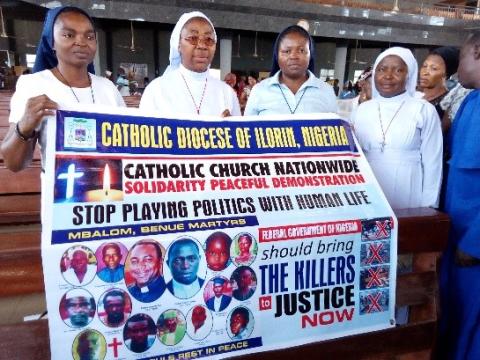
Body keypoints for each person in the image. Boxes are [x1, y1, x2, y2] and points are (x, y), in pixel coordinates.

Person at [1, 6, 125, 173]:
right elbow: (14, 164)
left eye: (89, 36)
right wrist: (24, 126)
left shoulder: (108, 88)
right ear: (51, 41)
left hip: (108, 188)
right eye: (69, 35)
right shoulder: (33, 84)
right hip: (61, 192)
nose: (81, 42)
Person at [351, 47, 443, 209]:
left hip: (408, 188)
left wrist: (428, 205)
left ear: (409, 75)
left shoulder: (423, 109)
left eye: (398, 70)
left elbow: (433, 161)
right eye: (382, 69)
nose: (388, 76)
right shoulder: (362, 109)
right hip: (368, 188)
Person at [439, 31, 480, 360]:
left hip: (473, 246)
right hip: (454, 233)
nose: (456, 70)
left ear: (477, 52)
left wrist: (475, 243)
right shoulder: (470, 100)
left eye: (461, 57)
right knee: (451, 313)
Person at [140, 11, 240, 117]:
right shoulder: (157, 90)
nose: (202, 45)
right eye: (193, 38)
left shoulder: (227, 93)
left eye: (209, 39)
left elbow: (240, 132)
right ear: (178, 44)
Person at [244, 25, 337, 116]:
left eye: (301, 50)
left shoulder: (326, 91)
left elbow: (337, 129)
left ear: (310, 55)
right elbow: (246, 129)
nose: (293, 56)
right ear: (277, 55)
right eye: (287, 51)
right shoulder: (260, 90)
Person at [419, 46, 459, 122]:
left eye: (434, 68)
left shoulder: (446, 104)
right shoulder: (412, 94)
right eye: (424, 66)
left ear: (446, 74)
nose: (425, 72)